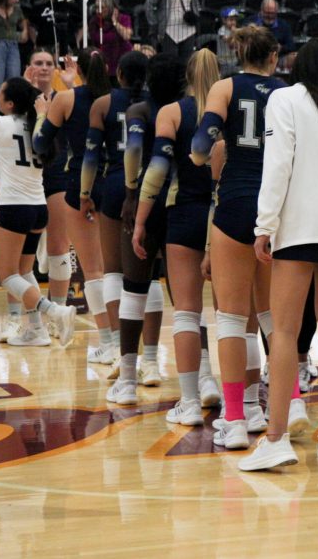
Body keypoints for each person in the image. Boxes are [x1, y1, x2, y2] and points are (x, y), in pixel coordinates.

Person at [237, 39, 318, 470]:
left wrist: (263, 226)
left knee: (286, 333)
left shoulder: (284, 98)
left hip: (301, 230)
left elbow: (277, 167)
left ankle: (275, 439)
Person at [191, 25, 308, 448]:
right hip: (278, 207)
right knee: (275, 319)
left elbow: (202, 144)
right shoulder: (288, 92)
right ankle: (292, 403)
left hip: (237, 202)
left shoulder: (224, 87)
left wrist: (201, 155)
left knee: (231, 320)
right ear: (275, 57)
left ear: (239, 52)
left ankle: (236, 421)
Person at [134, 49, 223, 424]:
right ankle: (243, 403)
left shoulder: (171, 112)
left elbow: (155, 173)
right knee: (236, 317)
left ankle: (189, 402)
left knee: (186, 312)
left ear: (186, 74)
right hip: (226, 216)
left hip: (184, 214)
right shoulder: (231, 109)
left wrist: (140, 221)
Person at [0, 77, 77, 346]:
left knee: (6, 276)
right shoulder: (37, 126)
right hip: (38, 207)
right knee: (23, 270)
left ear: (10, 103)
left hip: (14, 208)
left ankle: (55, 311)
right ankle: (36, 330)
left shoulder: (0, 123)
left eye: (0, 95)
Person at [100, 53, 177, 405]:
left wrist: (132, 194)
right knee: (185, 298)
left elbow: (133, 149)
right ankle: (200, 378)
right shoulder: (187, 110)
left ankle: (128, 379)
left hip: (146, 199)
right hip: (180, 203)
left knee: (134, 285)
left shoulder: (141, 111)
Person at [34, 49, 120, 365]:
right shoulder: (118, 98)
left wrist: (45, 111)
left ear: (77, 68)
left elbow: (41, 144)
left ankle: (109, 343)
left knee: (93, 271)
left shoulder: (66, 100)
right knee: (114, 269)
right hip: (115, 183)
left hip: (81, 185)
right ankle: (125, 345)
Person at [80, 51, 150, 395]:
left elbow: (91, 155)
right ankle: (150, 360)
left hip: (113, 186)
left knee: (113, 271)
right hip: (148, 187)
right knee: (146, 274)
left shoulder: (103, 104)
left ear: (118, 72)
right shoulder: (156, 104)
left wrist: (83, 192)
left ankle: (113, 347)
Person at [18, 51, 73, 346]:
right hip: (24, 178)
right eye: (37, 63)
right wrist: (25, 92)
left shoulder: (65, 98)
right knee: (19, 255)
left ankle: (59, 315)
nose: (43, 67)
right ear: (29, 68)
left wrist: (68, 83)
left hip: (56, 176)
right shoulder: (20, 97)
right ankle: (19, 320)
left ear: (55, 69)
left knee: (59, 246)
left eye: (48, 63)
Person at [144, 0, 198, 66]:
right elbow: (149, 3)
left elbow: (196, 4)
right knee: (170, 64)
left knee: (186, 65)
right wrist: (155, 22)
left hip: (188, 31)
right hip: (169, 31)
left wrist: (194, 16)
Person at [77, 0, 133, 79]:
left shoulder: (123, 18)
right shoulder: (93, 21)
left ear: (110, 8)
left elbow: (127, 36)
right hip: (102, 65)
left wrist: (115, 22)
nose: (98, 11)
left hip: (121, 65)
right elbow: (80, 39)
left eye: (102, 7)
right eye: (96, 7)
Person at [248, 0, 294, 69]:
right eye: (267, 13)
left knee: (293, 56)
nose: (269, 16)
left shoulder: (284, 25)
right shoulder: (250, 22)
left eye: (272, 13)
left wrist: (281, 48)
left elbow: (291, 46)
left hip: (277, 58)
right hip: (255, 57)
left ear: (276, 12)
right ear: (261, 11)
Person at [217, 6, 240, 75]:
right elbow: (229, 43)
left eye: (234, 20)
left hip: (233, 60)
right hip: (223, 61)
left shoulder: (235, 30)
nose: (233, 22)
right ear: (224, 20)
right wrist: (234, 33)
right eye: (231, 20)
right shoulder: (222, 30)